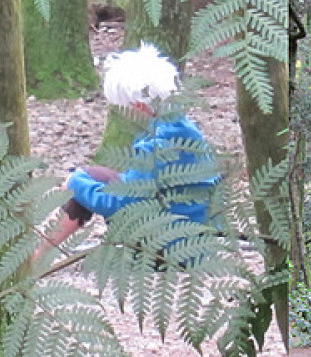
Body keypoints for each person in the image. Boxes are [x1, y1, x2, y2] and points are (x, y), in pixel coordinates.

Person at [34, 42, 219, 263]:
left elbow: (122, 205)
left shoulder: (159, 144)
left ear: (139, 106)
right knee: (94, 175)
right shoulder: (180, 126)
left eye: (125, 108)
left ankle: (35, 260)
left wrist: (76, 183)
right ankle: (38, 256)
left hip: (172, 248)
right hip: (190, 233)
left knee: (80, 185)